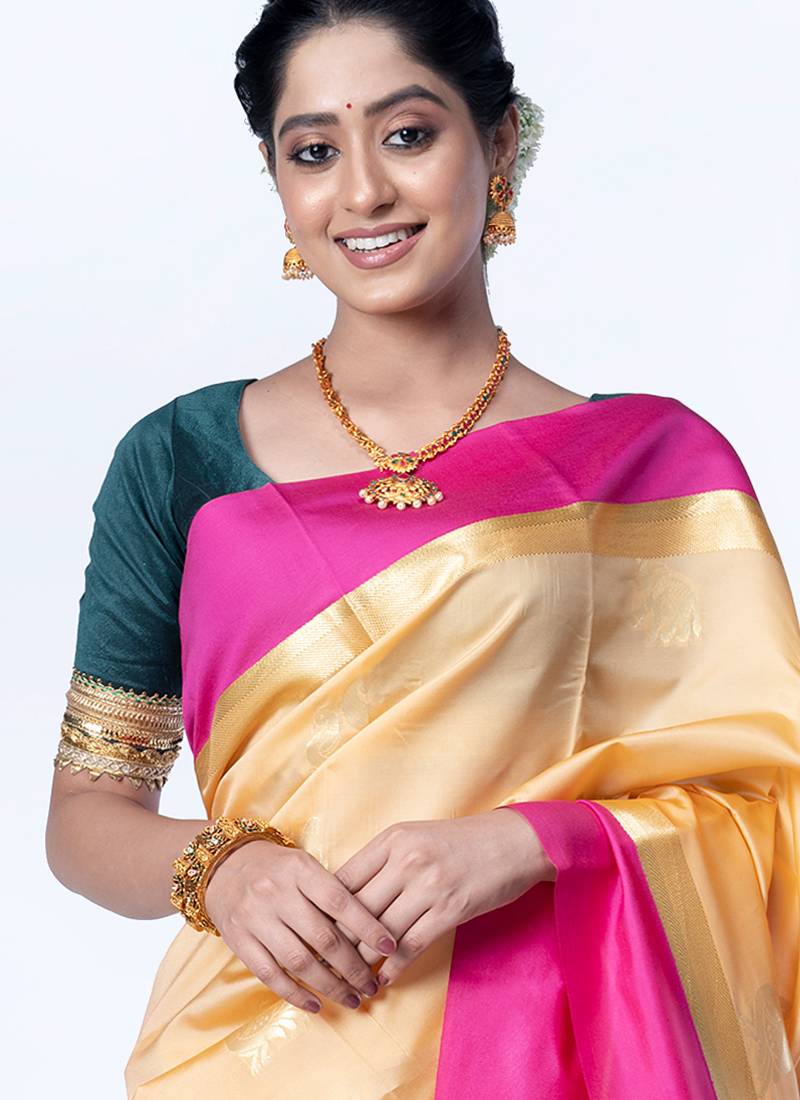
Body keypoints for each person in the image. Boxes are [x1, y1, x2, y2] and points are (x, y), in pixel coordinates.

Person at [45, 1, 800, 1096]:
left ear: (498, 142)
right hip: (245, 1059)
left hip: (548, 1059)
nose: (362, 192)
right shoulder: (180, 459)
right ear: (278, 182)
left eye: (407, 134)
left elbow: (769, 808)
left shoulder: (644, 469)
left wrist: (537, 842)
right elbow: (85, 818)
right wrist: (224, 867)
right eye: (313, 151)